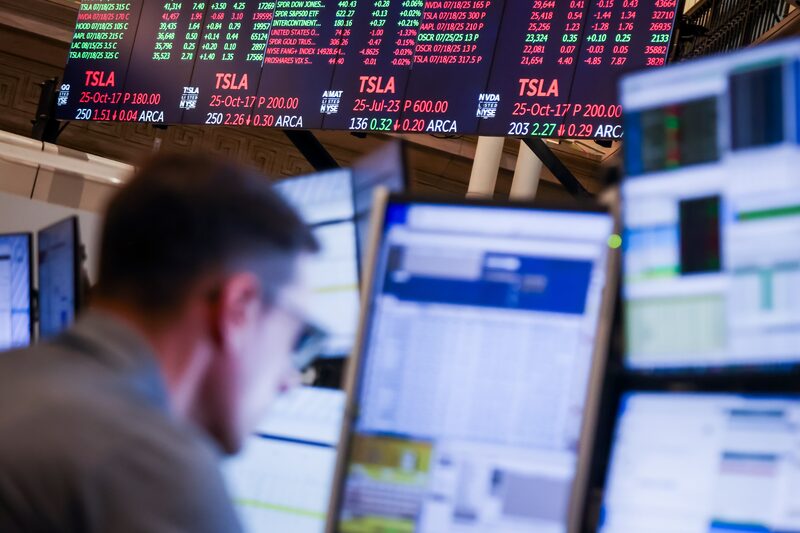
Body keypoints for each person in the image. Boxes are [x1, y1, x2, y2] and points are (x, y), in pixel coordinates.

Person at [0, 154, 319, 532]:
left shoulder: (15, 372)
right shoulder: (149, 459)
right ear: (238, 310)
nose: (288, 380)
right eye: (293, 339)